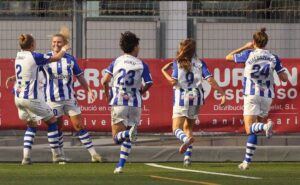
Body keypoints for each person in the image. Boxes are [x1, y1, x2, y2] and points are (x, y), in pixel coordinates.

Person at [225, 28, 288, 170]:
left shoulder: (248, 54)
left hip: (252, 94)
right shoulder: (273, 57)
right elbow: (284, 78)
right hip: (267, 96)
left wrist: (245, 46)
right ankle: (246, 162)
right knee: (255, 130)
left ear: (254, 42)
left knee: (249, 128)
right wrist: (279, 72)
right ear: (266, 43)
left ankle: (266, 126)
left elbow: (228, 57)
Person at [39, 27, 103, 163]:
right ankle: (59, 155)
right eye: (54, 42)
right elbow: (32, 70)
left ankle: (94, 154)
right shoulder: (47, 58)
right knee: (58, 128)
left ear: (64, 44)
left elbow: (80, 76)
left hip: (69, 99)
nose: (56, 44)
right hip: (52, 100)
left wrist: (89, 90)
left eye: (59, 42)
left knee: (79, 125)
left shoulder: (70, 59)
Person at [161, 38, 226, 167]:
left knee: (176, 128)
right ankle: (187, 158)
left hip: (182, 97)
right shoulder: (200, 63)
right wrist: (222, 93)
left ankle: (185, 140)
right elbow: (210, 80)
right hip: (196, 98)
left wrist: (163, 71)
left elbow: (173, 82)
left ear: (182, 49)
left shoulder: (177, 63)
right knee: (188, 128)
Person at [8, 33, 69, 164]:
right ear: (32, 45)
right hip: (31, 98)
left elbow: (28, 70)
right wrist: (64, 48)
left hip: (18, 98)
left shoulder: (18, 56)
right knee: (52, 121)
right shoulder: (34, 56)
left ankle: (26, 158)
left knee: (32, 125)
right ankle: (57, 155)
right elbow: (57, 57)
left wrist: (13, 77)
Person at [102, 31, 153, 173]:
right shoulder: (142, 64)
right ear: (135, 47)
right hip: (135, 103)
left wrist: (107, 95)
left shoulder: (117, 61)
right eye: (138, 46)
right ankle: (120, 166)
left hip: (119, 102)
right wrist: (141, 91)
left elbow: (104, 81)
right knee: (130, 136)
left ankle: (126, 134)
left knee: (117, 138)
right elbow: (149, 82)